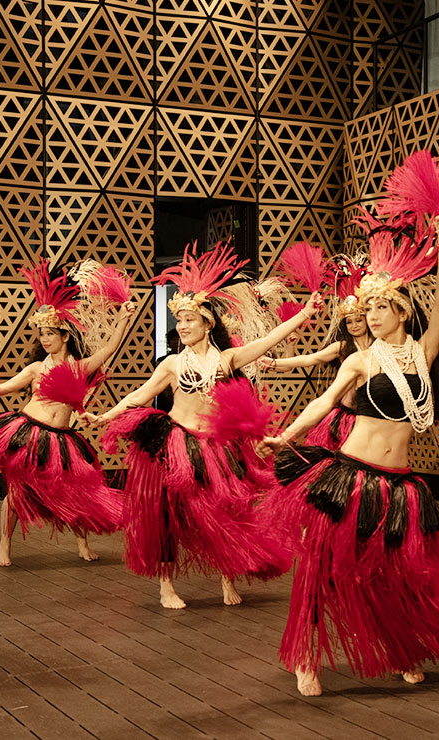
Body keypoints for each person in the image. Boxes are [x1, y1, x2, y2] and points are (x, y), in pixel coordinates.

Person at [258, 214, 439, 696]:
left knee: (400, 573)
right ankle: (306, 656)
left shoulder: (423, 353)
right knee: (321, 570)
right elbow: (325, 402)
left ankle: (400, 649)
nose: (371, 316)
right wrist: (288, 437)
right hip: (350, 476)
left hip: (401, 484)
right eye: (368, 309)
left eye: (380, 307)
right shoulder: (361, 359)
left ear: (402, 311)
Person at [83, 242, 321, 609]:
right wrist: (106, 416)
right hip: (174, 443)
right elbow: (140, 395)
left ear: (207, 323)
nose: (182, 327)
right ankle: (166, 586)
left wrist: (304, 312)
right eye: (179, 321)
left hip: (214, 447)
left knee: (225, 511)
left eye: (189, 320)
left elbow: (267, 341)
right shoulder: (171, 364)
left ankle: (228, 578)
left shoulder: (227, 360)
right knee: (166, 515)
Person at [0, 258, 135, 566]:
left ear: (64, 336)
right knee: (16, 493)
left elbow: (109, 349)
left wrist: (123, 320)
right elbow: (5, 388)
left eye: (50, 333)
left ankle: (82, 544)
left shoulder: (79, 368)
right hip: (29, 433)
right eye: (42, 334)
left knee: (74, 490)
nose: (45, 339)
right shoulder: (36, 369)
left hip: (61, 439)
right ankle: (4, 547)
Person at [262, 257, 372, 448]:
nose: (354, 325)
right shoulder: (342, 347)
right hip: (345, 418)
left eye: (358, 320)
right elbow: (308, 359)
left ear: (367, 321)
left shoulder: (380, 349)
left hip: (370, 419)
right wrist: (273, 363)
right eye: (349, 321)